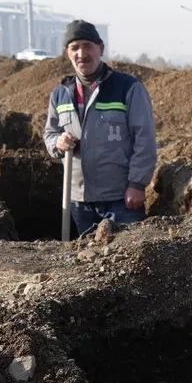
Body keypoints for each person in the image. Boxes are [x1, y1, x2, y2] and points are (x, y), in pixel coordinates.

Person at [43, 20, 158, 237]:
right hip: (78, 201)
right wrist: (57, 142)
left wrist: (137, 183)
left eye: (88, 46)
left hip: (121, 200)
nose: (81, 54)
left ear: (101, 49)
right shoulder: (60, 94)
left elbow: (145, 138)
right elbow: (50, 133)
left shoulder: (128, 87)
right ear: (67, 53)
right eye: (74, 47)